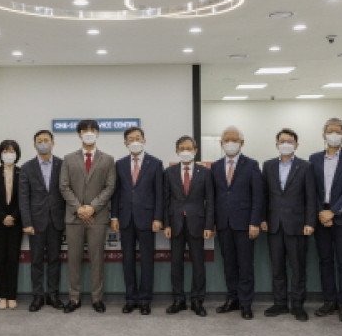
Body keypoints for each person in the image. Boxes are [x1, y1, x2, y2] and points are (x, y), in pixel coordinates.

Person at [59, 119, 116, 314]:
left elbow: (110, 187)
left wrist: (92, 207)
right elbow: (64, 186)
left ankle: (97, 298)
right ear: (79, 134)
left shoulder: (108, 159)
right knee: (73, 260)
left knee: (97, 259)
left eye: (92, 130)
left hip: (97, 217)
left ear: (98, 133)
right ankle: (73, 298)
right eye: (85, 130)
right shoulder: (68, 159)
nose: (89, 133)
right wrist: (79, 208)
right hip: (74, 217)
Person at [308, 118, 342, 322]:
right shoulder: (313, 159)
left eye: (338, 131)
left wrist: (334, 211)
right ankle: (329, 301)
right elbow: (311, 189)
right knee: (325, 261)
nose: (333, 134)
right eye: (330, 131)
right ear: (323, 134)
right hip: (321, 216)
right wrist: (321, 212)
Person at [260, 128, 316, 322]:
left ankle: (298, 305)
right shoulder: (268, 166)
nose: (285, 144)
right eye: (282, 141)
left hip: (297, 225)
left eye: (289, 141)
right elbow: (264, 195)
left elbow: (311, 197)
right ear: (276, 144)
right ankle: (280, 303)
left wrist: (310, 222)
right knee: (277, 267)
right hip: (274, 224)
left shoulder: (306, 166)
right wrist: (262, 219)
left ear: (296, 145)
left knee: (297, 267)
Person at [211, 126, 263, 320]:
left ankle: (246, 303)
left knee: (245, 265)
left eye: (234, 139)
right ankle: (232, 299)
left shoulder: (252, 165)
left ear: (242, 143)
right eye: (227, 140)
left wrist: (255, 222)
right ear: (221, 143)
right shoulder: (215, 166)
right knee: (229, 264)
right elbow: (213, 197)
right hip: (223, 224)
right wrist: (212, 223)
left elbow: (258, 196)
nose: (230, 143)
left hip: (245, 224)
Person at [110, 126, 164, 315]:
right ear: (125, 143)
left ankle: (145, 299)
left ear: (144, 140)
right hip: (125, 218)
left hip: (147, 219)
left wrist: (158, 217)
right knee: (128, 260)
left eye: (138, 138)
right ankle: (131, 298)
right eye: (131, 139)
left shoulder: (155, 163)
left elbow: (159, 194)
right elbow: (116, 193)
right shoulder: (119, 164)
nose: (135, 141)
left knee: (147, 260)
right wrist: (114, 216)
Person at [163, 136, 214, 317]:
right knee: (176, 263)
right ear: (177, 151)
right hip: (175, 224)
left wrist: (209, 225)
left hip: (197, 224)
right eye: (182, 148)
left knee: (198, 263)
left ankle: (197, 300)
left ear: (195, 150)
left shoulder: (205, 172)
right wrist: (166, 224)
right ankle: (178, 300)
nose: (186, 151)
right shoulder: (169, 172)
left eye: (189, 148)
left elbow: (210, 201)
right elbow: (165, 200)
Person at [19, 130, 66, 312]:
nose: (43, 143)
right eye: (40, 141)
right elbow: (24, 198)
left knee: (54, 259)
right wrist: (27, 222)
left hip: (57, 220)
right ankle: (38, 296)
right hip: (35, 222)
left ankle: (53, 295)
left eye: (46, 140)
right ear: (34, 144)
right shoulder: (27, 167)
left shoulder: (63, 164)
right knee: (36, 260)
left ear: (53, 143)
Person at [0, 140, 23, 310]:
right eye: (5, 151)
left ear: (17, 154)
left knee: (13, 259)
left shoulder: (22, 172)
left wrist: (13, 216)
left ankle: (12, 295)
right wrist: (3, 216)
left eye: (12, 151)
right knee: (0, 258)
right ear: (0, 154)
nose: (9, 154)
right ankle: (1, 295)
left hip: (16, 222)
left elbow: (23, 197)